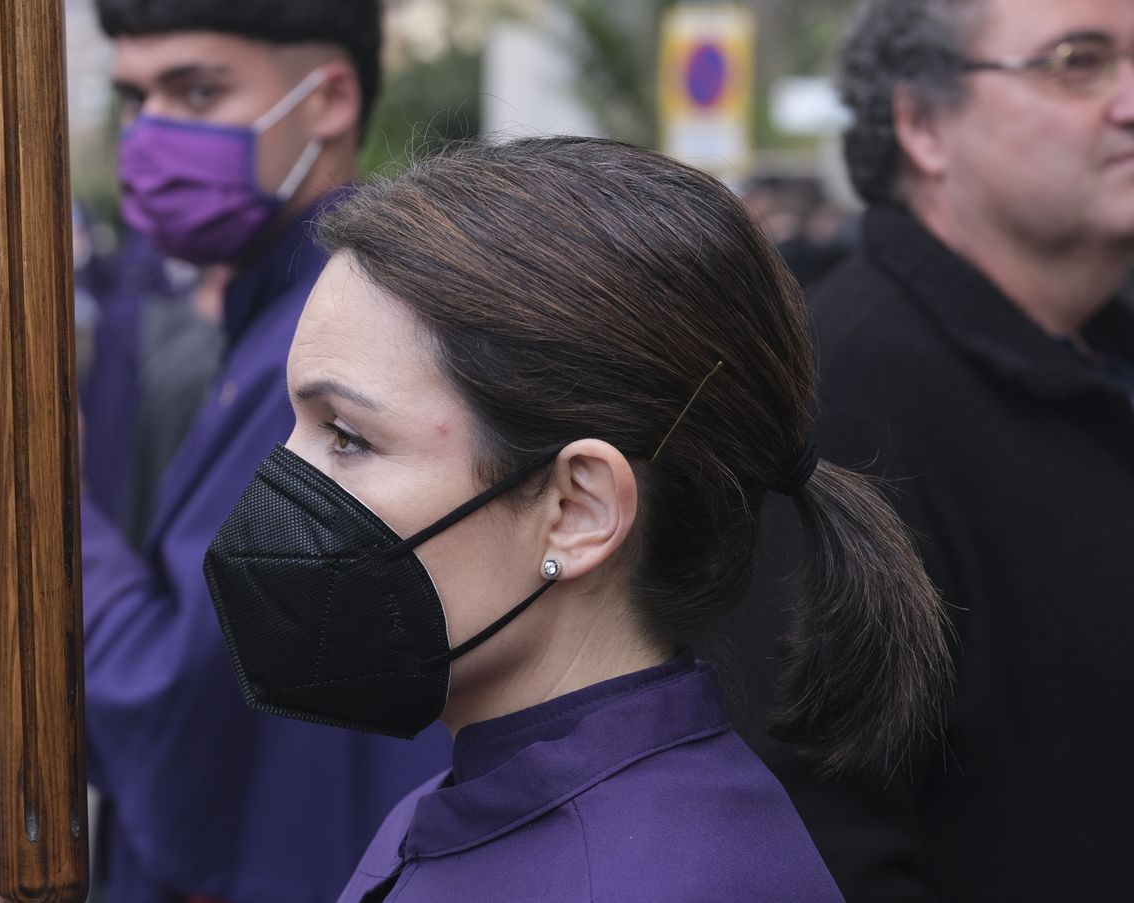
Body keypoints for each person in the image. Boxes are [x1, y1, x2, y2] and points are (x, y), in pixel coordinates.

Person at [194, 136, 949, 901]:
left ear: (576, 510)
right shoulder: (491, 794)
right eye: (296, 428)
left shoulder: (653, 876)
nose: (280, 489)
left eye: (348, 437)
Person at [0, 3, 451, 901]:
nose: (151, 133)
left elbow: (184, 714)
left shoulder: (323, 350)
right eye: (135, 96)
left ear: (328, 98)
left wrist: (30, 508)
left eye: (199, 89)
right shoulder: (275, 318)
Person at [720, 0, 1134, 899]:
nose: (1129, 100)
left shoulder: (1098, 355)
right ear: (921, 123)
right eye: (1078, 61)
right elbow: (812, 833)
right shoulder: (843, 406)